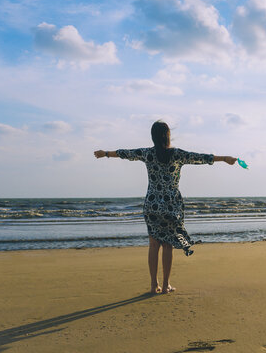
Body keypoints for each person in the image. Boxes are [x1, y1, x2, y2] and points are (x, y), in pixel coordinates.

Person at [94, 121, 237, 294]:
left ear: (153, 136)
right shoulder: (176, 154)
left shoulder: (147, 153)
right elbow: (200, 157)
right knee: (168, 245)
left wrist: (105, 154)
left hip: (152, 204)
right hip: (171, 204)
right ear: (168, 135)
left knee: (154, 245)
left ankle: (154, 285)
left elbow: (126, 153)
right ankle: (166, 284)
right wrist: (224, 158)